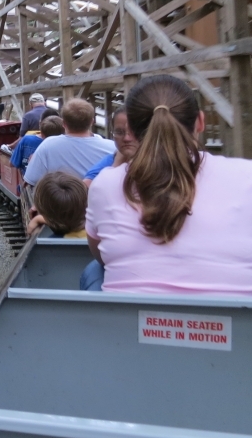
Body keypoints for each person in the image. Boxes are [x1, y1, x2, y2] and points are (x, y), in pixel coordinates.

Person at [85, 75, 252, 294]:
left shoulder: (105, 183)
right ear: (200, 122)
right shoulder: (246, 174)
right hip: (236, 325)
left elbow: (100, 254)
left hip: (129, 325)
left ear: (132, 131)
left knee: (93, 271)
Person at [23, 98, 115, 186]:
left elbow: (31, 181)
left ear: (63, 123)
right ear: (92, 122)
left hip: (61, 201)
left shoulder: (48, 145)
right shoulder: (112, 148)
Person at [83, 108, 138, 186]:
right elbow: (86, 186)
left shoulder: (158, 164)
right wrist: (115, 165)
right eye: (119, 132)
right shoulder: (110, 161)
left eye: (133, 132)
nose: (126, 138)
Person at [27, 171, 88, 238]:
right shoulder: (97, 234)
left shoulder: (51, 243)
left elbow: (62, 222)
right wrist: (39, 219)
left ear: (41, 210)